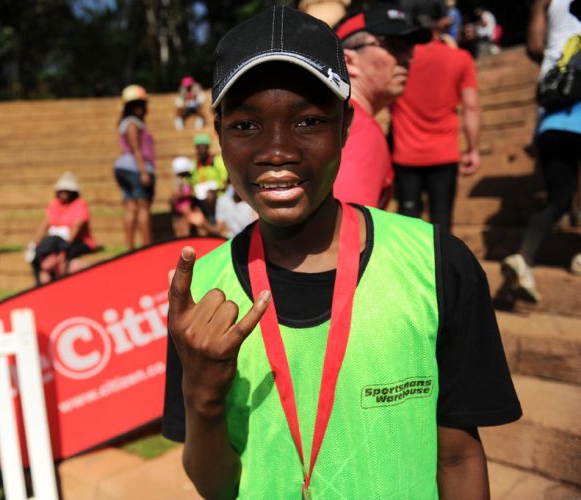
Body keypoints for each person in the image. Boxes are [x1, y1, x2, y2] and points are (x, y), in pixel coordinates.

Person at [162, 7, 521, 499]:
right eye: (245, 125)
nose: (277, 150)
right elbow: (215, 486)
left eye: (308, 120)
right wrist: (202, 397)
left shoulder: (437, 264)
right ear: (219, 130)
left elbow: (458, 457)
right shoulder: (202, 295)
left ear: (346, 124)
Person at [501, 0, 581, 302]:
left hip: (551, 118)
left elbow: (535, 47)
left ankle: (524, 258)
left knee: (558, 199)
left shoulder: (561, 27)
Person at [389, 3, 480, 234]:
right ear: (442, 22)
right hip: (444, 154)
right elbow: (471, 107)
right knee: (442, 224)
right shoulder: (460, 58)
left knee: (407, 226)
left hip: (405, 154)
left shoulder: (399, 60)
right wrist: (473, 150)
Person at [333, 5, 431, 208]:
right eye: (395, 45)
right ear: (348, 61)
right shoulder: (359, 129)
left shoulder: (338, 118)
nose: (408, 58)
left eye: (409, 47)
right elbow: (346, 224)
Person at [28, 171, 98, 284]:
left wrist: (61, 245)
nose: (63, 193)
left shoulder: (80, 204)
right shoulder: (54, 205)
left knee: (61, 256)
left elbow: (77, 227)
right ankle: (40, 285)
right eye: (61, 190)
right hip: (55, 242)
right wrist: (35, 243)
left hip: (77, 241)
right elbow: (44, 225)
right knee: (37, 254)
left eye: (66, 190)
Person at [114, 84, 156, 250]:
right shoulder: (133, 123)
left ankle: (130, 248)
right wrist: (143, 171)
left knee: (131, 207)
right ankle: (146, 247)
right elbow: (136, 149)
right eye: (135, 104)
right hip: (135, 168)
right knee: (143, 207)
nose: (139, 107)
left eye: (140, 103)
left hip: (124, 168)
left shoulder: (126, 123)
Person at [170, 156, 195, 238]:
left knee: (182, 227)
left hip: (182, 206)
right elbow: (177, 193)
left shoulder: (179, 180)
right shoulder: (182, 181)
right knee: (182, 227)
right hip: (184, 206)